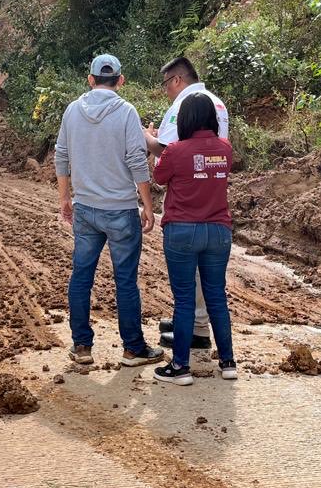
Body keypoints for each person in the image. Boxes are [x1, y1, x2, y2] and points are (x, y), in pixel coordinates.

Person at [54, 54, 165, 368]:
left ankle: (81, 347)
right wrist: (147, 204)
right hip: (120, 211)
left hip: (85, 209)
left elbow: (61, 156)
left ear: (90, 79)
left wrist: (65, 198)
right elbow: (135, 160)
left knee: (81, 277)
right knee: (125, 280)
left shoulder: (73, 110)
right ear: (120, 80)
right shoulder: (126, 112)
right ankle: (132, 349)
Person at [143, 56, 229, 352]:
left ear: (177, 80)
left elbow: (168, 152)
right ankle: (201, 326)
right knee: (211, 279)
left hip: (185, 199)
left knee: (187, 272)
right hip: (214, 195)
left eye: (165, 84)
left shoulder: (184, 104)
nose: (165, 90)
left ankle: (194, 328)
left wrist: (147, 138)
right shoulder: (216, 102)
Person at [151, 93, 237, 384]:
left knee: (184, 299)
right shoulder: (225, 148)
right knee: (216, 297)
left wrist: (152, 142)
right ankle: (227, 362)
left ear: (185, 120)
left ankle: (180, 367)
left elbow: (159, 177)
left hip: (182, 231)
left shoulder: (175, 150)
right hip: (218, 231)